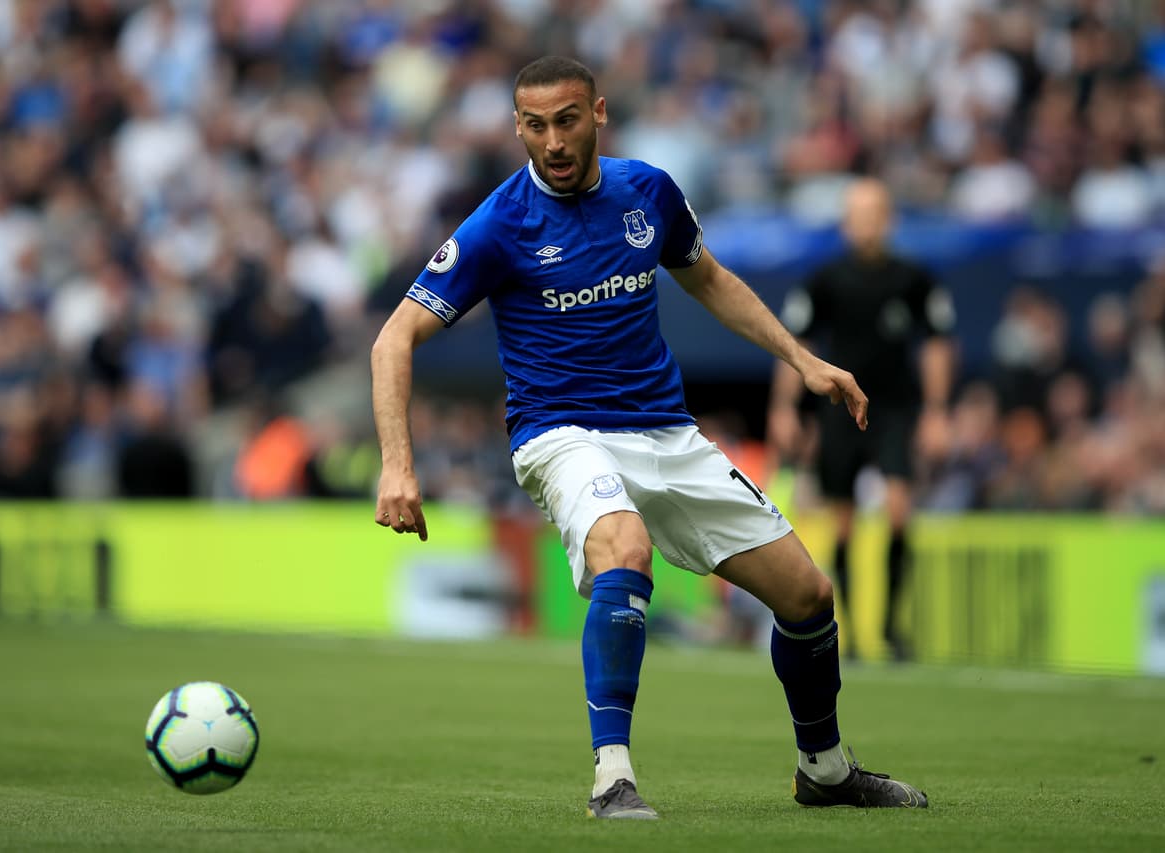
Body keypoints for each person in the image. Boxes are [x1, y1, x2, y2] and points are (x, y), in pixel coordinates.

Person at [371, 56, 928, 819]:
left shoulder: (649, 193)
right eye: (535, 126)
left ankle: (825, 769)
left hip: (667, 430)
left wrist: (803, 360)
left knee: (808, 594)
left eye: (567, 120)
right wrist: (397, 465)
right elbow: (393, 338)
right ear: (517, 128)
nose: (553, 141)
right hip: (560, 432)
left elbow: (711, 279)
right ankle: (613, 777)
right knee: (624, 549)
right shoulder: (500, 223)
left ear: (598, 113)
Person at [769, 179, 955, 662]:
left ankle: (891, 628)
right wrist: (784, 407)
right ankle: (847, 633)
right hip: (840, 410)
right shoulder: (825, 280)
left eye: (874, 213)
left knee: (898, 509)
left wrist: (936, 411)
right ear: (846, 223)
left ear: (889, 219)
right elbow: (796, 344)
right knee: (844, 521)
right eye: (857, 214)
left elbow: (937, 343)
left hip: (895, 409)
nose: (865, 223)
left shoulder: (914, 279)